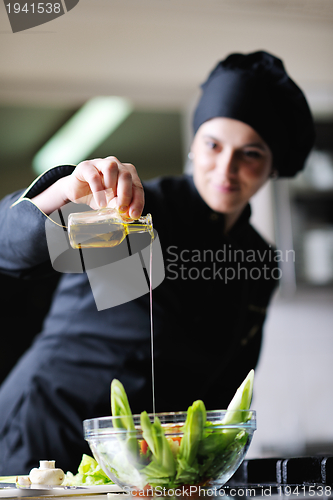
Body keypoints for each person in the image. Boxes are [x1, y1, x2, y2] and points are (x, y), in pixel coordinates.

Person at [0, 50, 315, 475]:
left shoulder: (257, 258)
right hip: (44, 434)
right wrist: (66, 194)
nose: (227, 168)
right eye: (213, 145)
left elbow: (228, 385)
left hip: (145, 462)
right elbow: (11, 252)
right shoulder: (131, 210)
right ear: (193, 145)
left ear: (272, 167)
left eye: (251, 154)